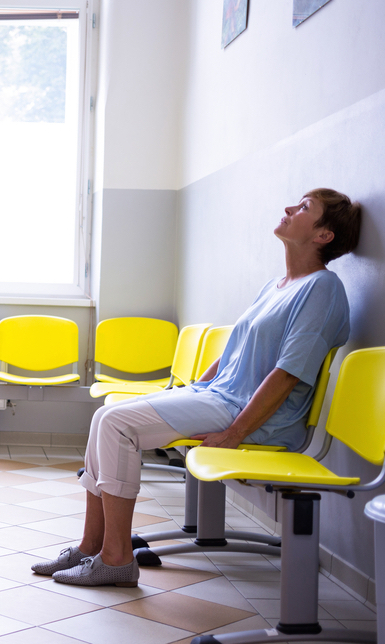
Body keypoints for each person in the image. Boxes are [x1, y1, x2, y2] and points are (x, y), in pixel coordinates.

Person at [32, 188, 361, 587]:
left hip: (251, 413)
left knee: (117, 424)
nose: (290, 208)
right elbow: (233, 353)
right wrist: (189, 390)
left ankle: (116, 558)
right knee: (106, 416)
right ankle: (91, 546)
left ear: (323, 235)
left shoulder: (322, 289)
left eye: (305, 208)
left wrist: (234, 434)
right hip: (221, 396)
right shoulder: (276, 286)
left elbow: (288, 373)